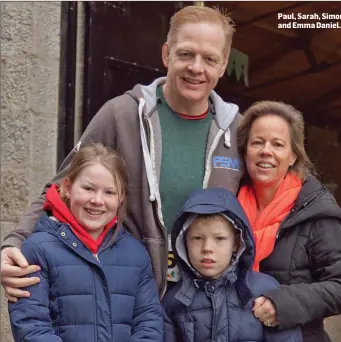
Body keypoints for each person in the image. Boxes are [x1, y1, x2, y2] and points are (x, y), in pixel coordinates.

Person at [1, 6, 243, 299]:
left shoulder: (239, 132)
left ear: (223, 64)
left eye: (209, 59)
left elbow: (275, 202)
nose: (196, 67)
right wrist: (14, 242)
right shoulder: (121, 114)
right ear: (167, 54)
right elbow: (60, 188)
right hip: (127, 295)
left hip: (207, 305)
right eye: (185, 54)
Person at [8, 143, 163, 342]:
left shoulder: (136, 254)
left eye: (109, 192)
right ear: (68, 188)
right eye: (88, 188)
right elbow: (31, 326)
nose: (98, 200)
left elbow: (149, 324)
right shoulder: (37, 250)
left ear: (121, 197)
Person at [236, 101, 341, 342]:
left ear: (292, 156)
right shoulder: (229, 209)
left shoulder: (317, 211)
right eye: (257, 142)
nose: (265, 151)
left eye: (277, 144)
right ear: (245, 151)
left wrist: (283, 304)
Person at [163, 187, 302, 342]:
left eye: (219, 238)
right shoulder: (173, 302)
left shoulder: (266, 291)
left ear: (236, 242)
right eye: (197, 238)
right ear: (184, 242)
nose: (207, 248)